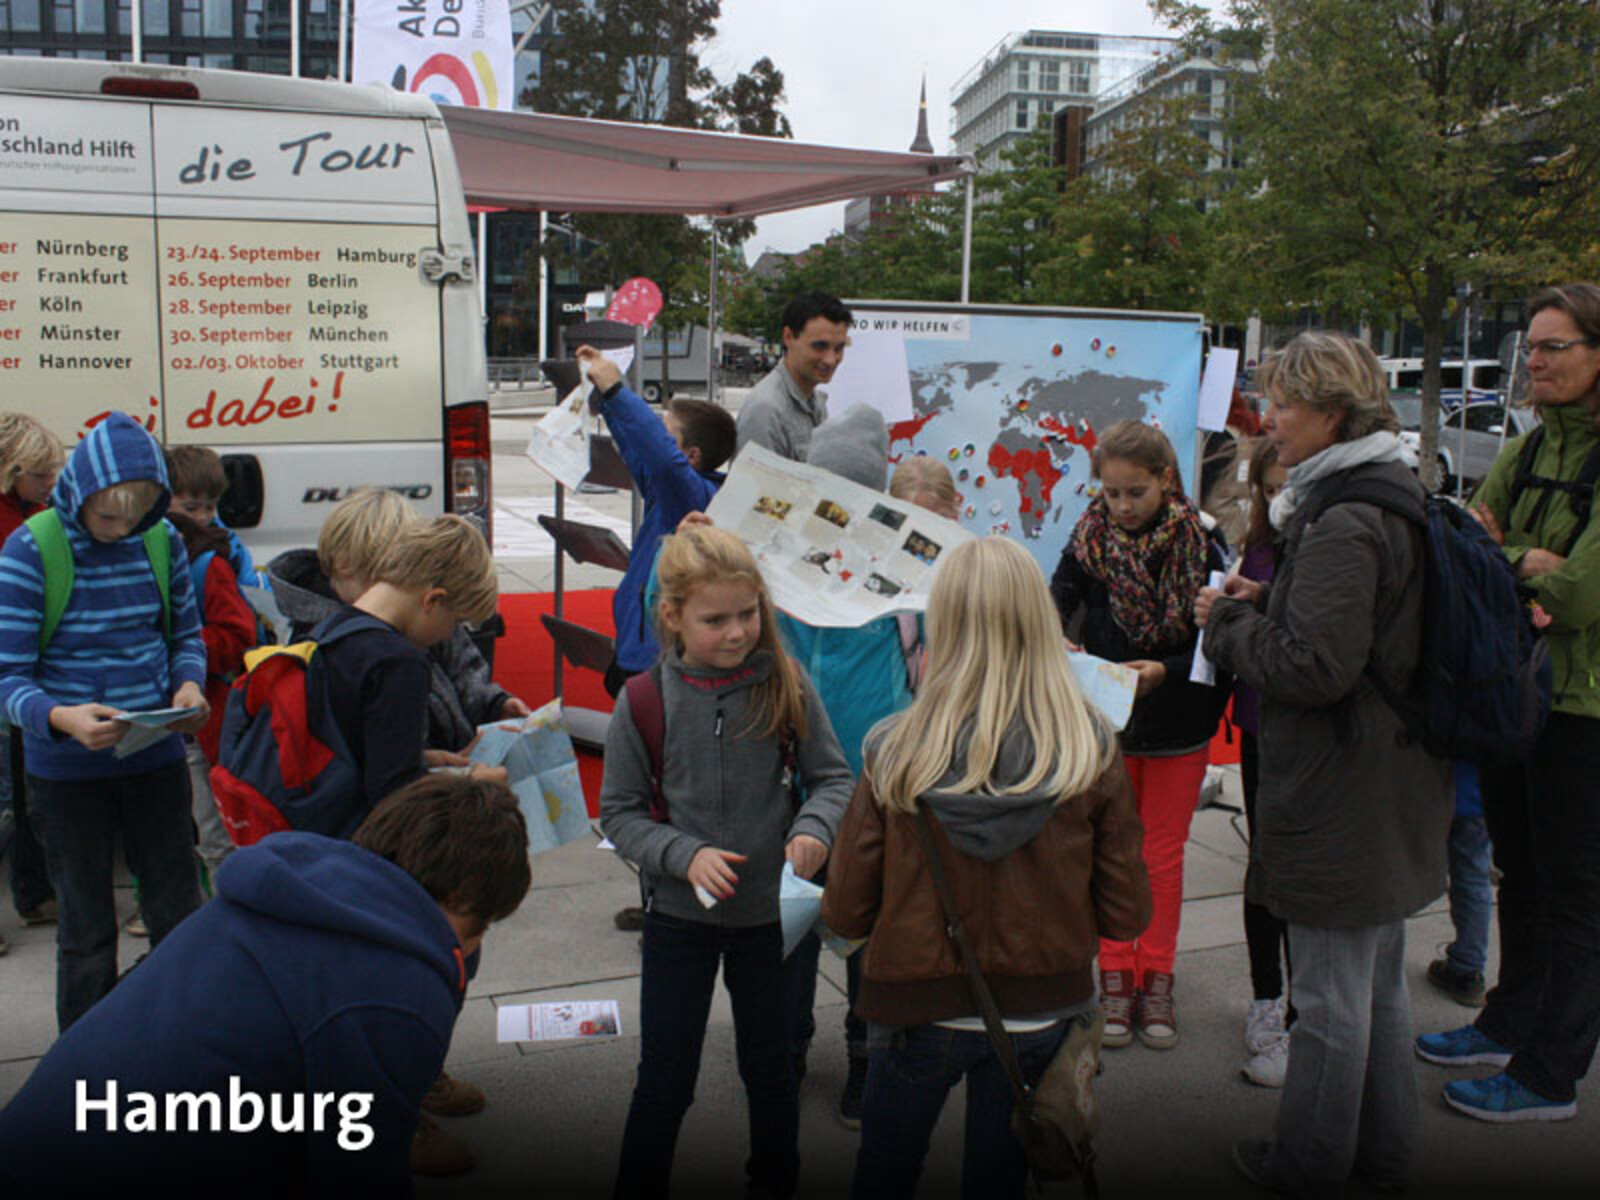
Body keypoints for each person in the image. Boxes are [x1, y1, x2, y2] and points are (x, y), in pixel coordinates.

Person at [0, 774, 532, 1197]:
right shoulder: (395, 990)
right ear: (462, 897)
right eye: (478, 926)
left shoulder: (279, 893)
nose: (471, 948)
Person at [1196, 330, 1452, 1196]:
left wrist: (1226, 625)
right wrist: (1268, 597)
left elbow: (1315, 668)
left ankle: (1307, 1165)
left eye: (1285, 406)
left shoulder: (1346, 517)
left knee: (1335, 1001)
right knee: (1374, 987)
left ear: (1333, 413)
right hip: (1385, 780)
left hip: (1344, 787)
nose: (1269, 424)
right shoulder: (1384, 493)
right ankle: (1381, 1152)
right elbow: (1359, 631)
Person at [821, 536, 1151, 1199]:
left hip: (918, 1008)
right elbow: (1126, 912)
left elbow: (845, 910)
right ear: (1041, 621)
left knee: (884, 1174)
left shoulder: (896, 749)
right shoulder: (1088, 748)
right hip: (1042, 1009)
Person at [600, 524, 853, 1198]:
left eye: (749, 614)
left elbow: (834, 779)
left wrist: (814, 828)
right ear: (673, 616)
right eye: (716, 620)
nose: (738, 631)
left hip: (774, 922)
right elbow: (619, 814)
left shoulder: (787, 684)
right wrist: (683, 855)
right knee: (664, 1080)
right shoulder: (644, 700)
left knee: (772, 1074)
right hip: (679, 922)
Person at [1415, 282, 1600, 1123]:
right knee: (1519, 872)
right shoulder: (1529, 447)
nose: (1536, 360)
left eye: (1555, 346)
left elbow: (1577, 594)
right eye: (1532, 345)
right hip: (1519, 689)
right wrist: (1519, 563)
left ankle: (1550, 1073)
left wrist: (1515, 558)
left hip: (1586, 709)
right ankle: (1508, 1021)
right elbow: (1468, 545)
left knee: (1576, 895)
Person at [0, 412, 209, 1030]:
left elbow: (184, 636)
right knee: (87, 932)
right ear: (76, 494)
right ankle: (87, 1067)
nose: (119, 531)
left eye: (135, 516)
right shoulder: (31, 548)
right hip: (65, 775)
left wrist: (188, 684)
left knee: (179, 916)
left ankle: (180, 1042)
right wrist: (62, 717)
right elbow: (8, 679)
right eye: (106, 516)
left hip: (156, 758)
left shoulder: (161, 539)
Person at [1050, 419, 1229, 1050]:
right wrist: (1062, 640)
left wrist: (1166, 672)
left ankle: (1157, 976)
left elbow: (1219, 644)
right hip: (1108, 727)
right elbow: (1056, 600)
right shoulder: (1087, 538)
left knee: (1161, 856)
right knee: (1108, 851)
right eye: (1111, 493)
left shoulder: (1204, 544)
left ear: (1166, 482)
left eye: (1136, 493)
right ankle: (1114, 977)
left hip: (1179, 722)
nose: (1122, 506)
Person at [268, 487, 530, 759]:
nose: (394, 587)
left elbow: (462, 664)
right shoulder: (338, 644)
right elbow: (372, 756)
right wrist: (442, 770)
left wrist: (495, 704)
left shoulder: (421, 611)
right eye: (380, 578)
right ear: (345, 566)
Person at [574, 345, 736, 698]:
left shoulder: (692, 495)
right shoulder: (669, 492)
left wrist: (617, 389)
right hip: (634, 648)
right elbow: (640, 449)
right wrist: (606, 401)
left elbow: (660, 458)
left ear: (691, 456)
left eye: (668, 434)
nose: (658, 438)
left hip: (652, 660)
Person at [1231, 442, 1295, 1088]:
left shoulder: (1331, 541)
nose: (1280, 501)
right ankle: (1266, 998)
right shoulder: (1257, 539)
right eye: (1269, 488)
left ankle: (1302, 1009)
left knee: (1298, 872)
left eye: (1288, 486)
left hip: (1307, 728)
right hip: (1258, 722)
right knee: (1264, 865)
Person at [165, 509, 258, 886]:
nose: (201, 514)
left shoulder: (206, 565)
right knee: (199, 833)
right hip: (165, 724)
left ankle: (236, 911)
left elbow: (239, 637)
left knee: (224, 832)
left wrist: (176, 649)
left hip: (211, 720)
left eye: (206, 505)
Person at [0, 412, 64, 955]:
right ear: (10, 468)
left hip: (24, 672)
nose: (50, 483)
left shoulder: (36, 513)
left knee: (25, 796)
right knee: (4, 799)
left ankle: (36, 893)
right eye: (40, 473)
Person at [736, 291, 852, 462]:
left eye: (839, 348)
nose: (830, 359)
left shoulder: (815, 402)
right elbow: (754, 487)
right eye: (820, 346)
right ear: (788, 338)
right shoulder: (766, 410)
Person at [1426, 762, 1492, 1008]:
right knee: (1474, 878)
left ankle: (1381, 967)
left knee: (1400, 873)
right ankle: (1468, 967)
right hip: (1479, 795)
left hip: (1431, 790)